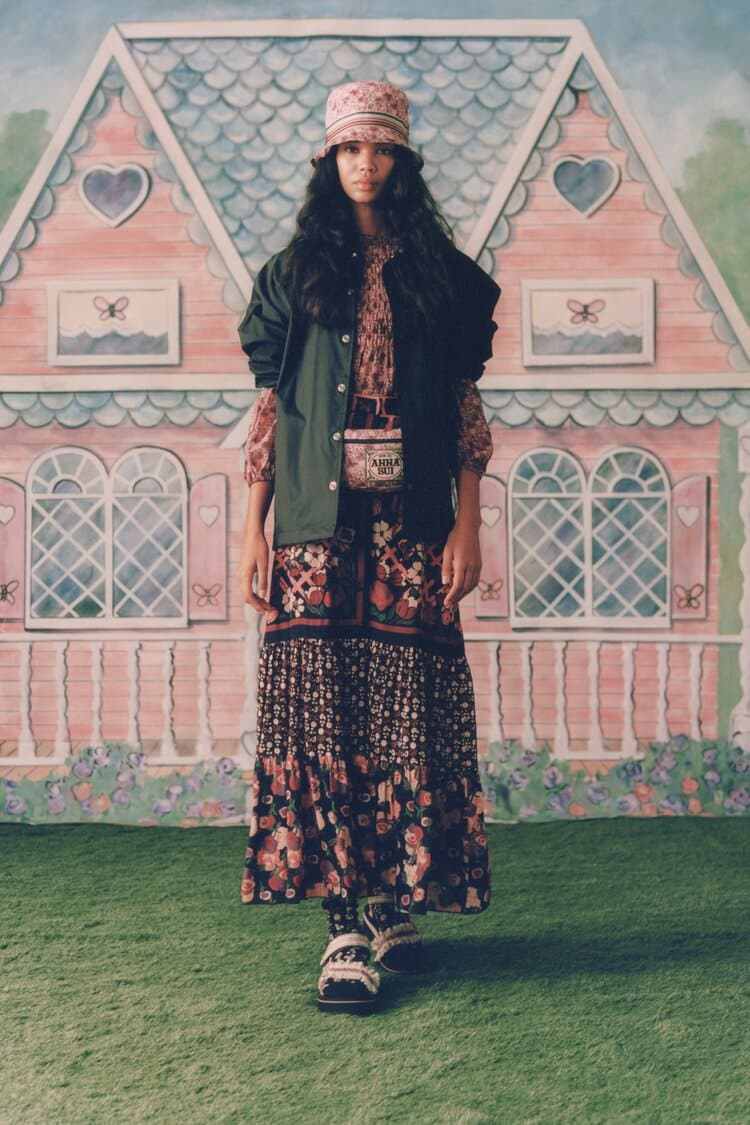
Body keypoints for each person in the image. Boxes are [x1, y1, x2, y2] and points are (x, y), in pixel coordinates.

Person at [236, 80, 501, 1013]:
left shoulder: (442, 275)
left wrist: (469, 521)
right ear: (329, 160)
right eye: (350, 148)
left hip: (409, 523)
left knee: (403, 709)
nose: (366, 164)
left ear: (403, 160)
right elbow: (273, 406)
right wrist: (253, 526)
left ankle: (390, 898)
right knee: (324, 713)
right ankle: (344, 924)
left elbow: (464, 405)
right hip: (316, 526)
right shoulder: (294, 273)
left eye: (382, 148)